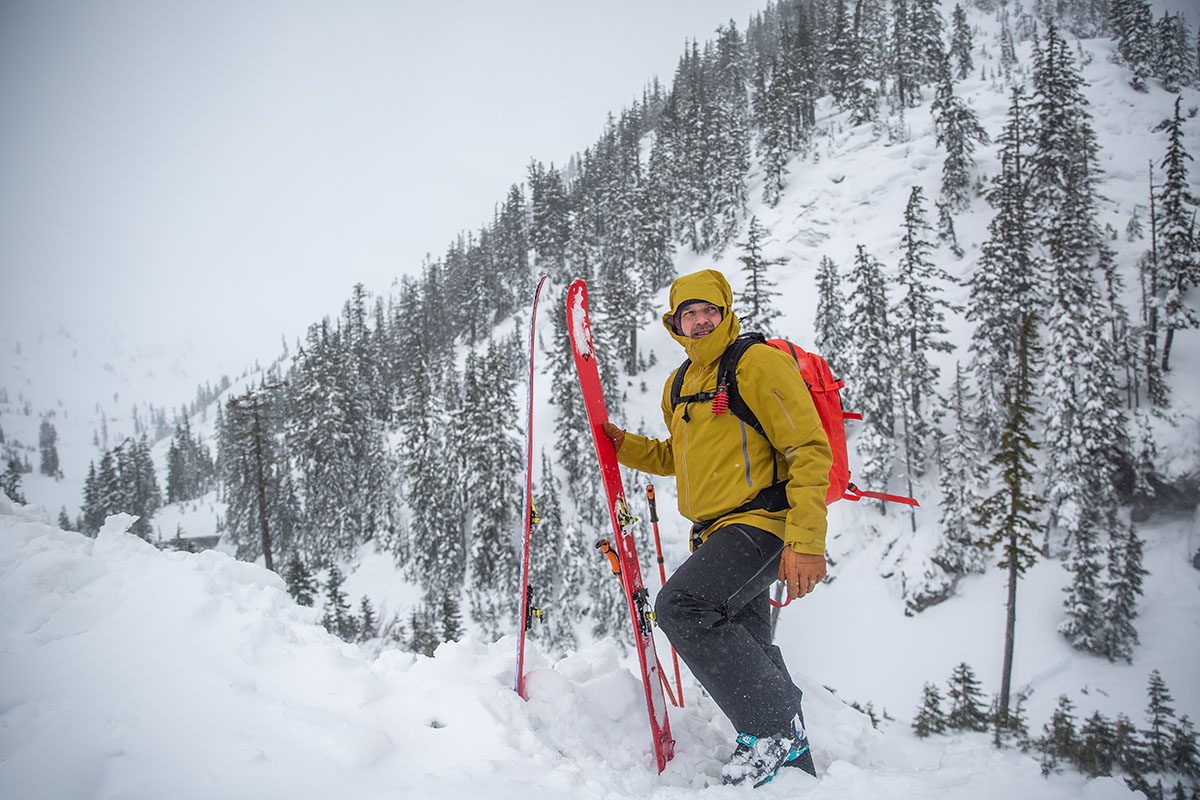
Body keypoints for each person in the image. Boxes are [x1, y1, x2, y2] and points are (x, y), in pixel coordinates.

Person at [601, 268, 832, 787]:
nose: (701, 320)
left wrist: (807, 541)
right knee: (747, 639)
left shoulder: (757, 364)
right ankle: (793, 770)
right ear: (676, 323)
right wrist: (623, 446)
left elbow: (808, 450)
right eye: (690, 313)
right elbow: (678, 457)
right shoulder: (680, 384)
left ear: (726, 313)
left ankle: (775, 733)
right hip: (716, 531)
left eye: (710, 310)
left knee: (682, 606)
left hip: (764, 522)